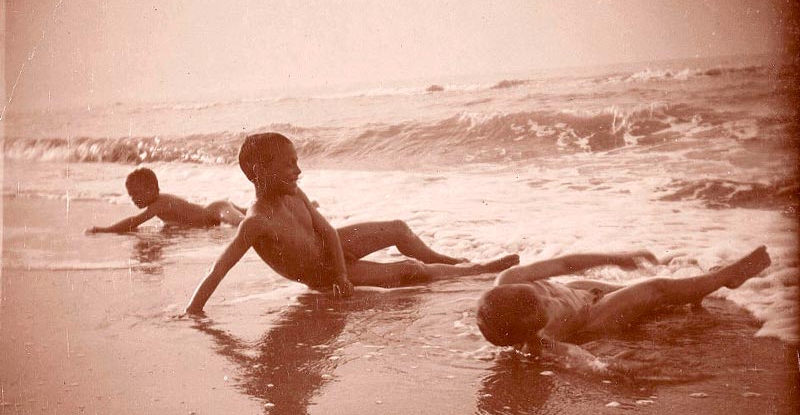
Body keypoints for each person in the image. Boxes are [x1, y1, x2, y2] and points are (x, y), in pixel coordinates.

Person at [184, 133, 519, 314]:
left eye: (297, 162)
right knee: (408, 269)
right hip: (324, 274)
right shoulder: (256, 223)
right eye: (289, 165)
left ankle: (450, 260)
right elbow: (219, 269)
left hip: (335, 250)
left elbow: (328, 231)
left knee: (397, 228)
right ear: (259, 171)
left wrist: (344, 268)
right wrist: (193, 311)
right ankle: (476, 271)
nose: (298, 171)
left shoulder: (295, 193)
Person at [476, 246, 771, 373]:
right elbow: (577, 357)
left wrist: (615, 258)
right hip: (593, 318)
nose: (552, 297)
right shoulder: (540, 343)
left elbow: (565, 265)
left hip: (583, 291)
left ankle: (696, 292)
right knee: (653, 290)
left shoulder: (509, 278)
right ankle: (725, 278)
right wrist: (609, 369)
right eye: (548, 309)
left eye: (543, 292)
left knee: (659, 301)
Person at [86, 167, 246, 234]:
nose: (133, 198)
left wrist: (105, 230)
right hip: (214, 213)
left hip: (216, 210)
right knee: (251, 213)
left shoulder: (160, 203)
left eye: (136, 193)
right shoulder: (158, 203)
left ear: (152, 188)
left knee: (243, 223)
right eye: (130, 195)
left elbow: (135, 221)